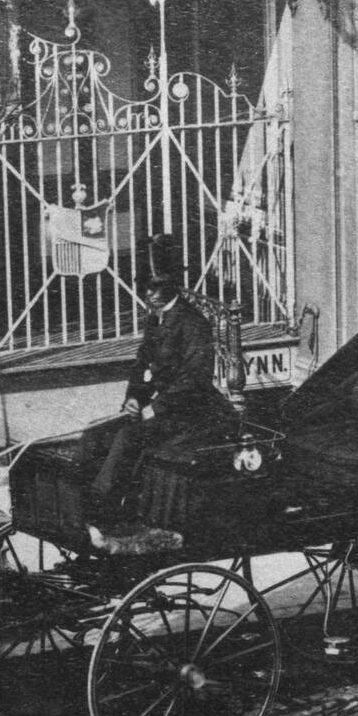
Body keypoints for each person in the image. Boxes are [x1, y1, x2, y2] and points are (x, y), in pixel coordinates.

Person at [87, 235, 236, 548]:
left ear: (171, 286)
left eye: (155, 288)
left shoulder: (193, 324)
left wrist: (156, 408)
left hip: (194, 415)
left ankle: (111, 517)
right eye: (146, 288)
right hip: (159, 408)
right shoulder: (157, 319)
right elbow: (143, 362)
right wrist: (133, 398)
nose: (149, 294)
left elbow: (195, 379)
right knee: (95, 434)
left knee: (128, 438)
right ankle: (89, 510)